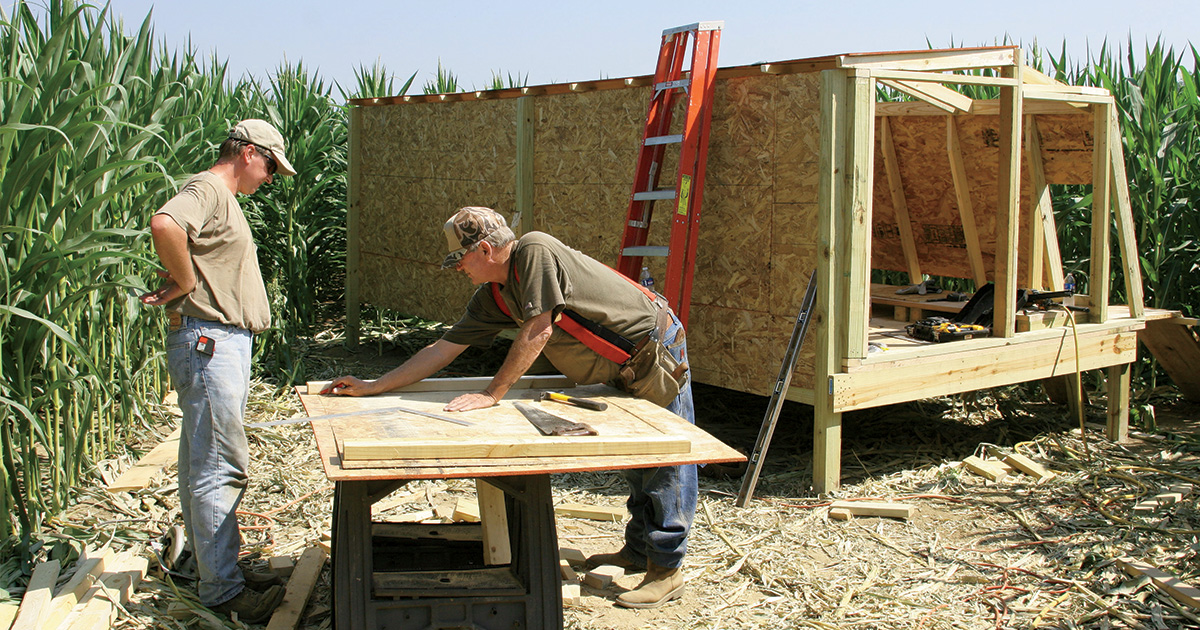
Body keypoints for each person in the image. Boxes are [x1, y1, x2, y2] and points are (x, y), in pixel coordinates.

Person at [326, 206, 697, 609]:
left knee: (666, 459)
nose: (457, 269)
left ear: (485, 249)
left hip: (655, 351)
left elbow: (540, 329)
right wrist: (375, 385)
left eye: (460, 259)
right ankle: (639, 550)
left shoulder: (535, 251)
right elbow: (442, 349)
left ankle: (666, 571)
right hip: (622, 364)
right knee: (639, 462)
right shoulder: (496, 296)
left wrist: (492, 393)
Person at [140, 119, 296, 624]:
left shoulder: (220, 197)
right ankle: (225, 593)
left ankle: (214, 570)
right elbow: (165, 223)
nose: (270, 177)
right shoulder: (209, 187)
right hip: (210, 343)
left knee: (199, 463)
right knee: (219, 465)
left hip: (212, 342)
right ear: (247, 152)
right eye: (270, 164)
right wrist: (184, 280)